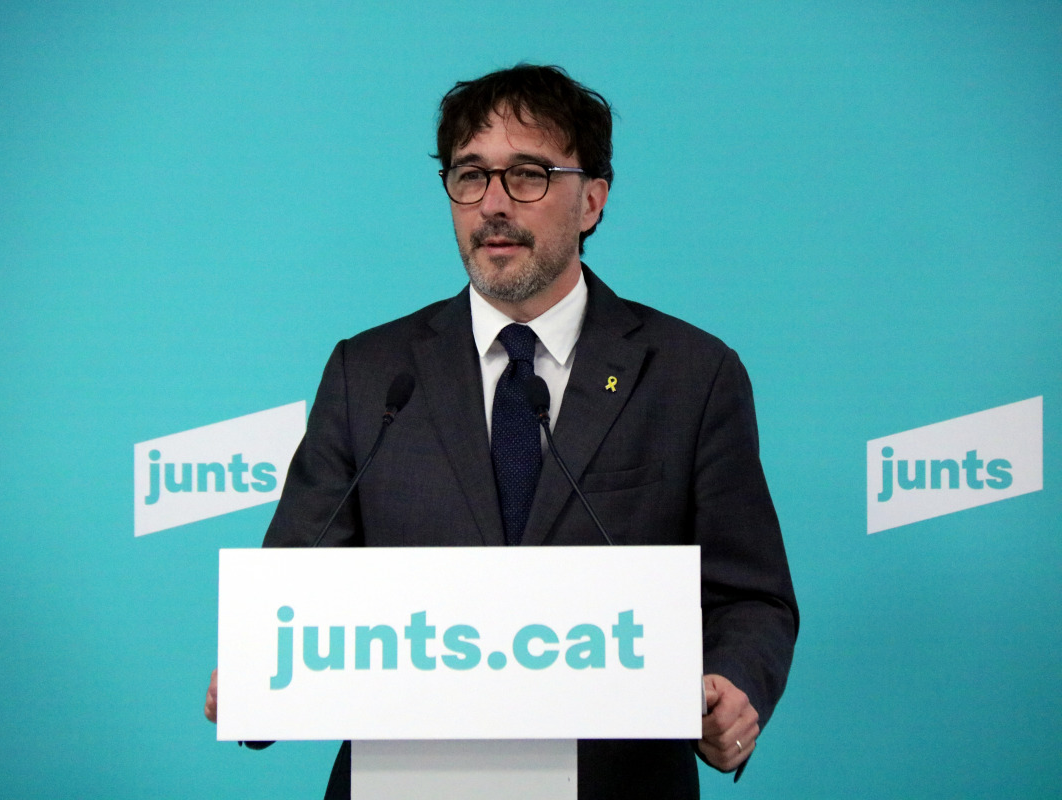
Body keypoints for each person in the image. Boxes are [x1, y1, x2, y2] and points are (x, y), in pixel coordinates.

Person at [205, 64, 797, 800]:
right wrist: (259, 674)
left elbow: (751, 596)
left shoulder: (691, 375)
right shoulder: (372, 373)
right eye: (470, 175)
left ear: (592, 200)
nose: (492, 203)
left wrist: (732, 685)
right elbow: (297, 584)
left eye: (527, 175)